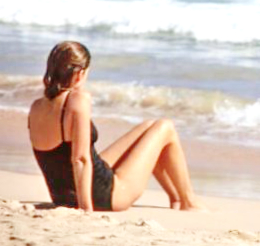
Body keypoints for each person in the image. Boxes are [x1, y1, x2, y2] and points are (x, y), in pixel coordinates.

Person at [28, 41, 202, 212]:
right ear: (80, 73)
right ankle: (189, 202)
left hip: (63, 197)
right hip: (105, 196)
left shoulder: (36, 106)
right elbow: (80, 159)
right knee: (165, 127)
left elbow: (55, 159)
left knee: (150, 128)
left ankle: (176, 198)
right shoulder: (77, 100)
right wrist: (85, 208)